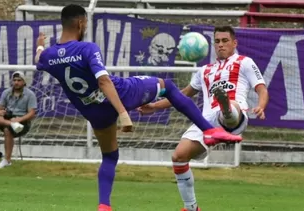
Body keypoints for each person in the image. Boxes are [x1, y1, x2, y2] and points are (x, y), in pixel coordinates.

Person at [33, 5, 242, 211]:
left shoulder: (48, 56)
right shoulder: (87, 48)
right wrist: (124, 114)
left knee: (109, 156)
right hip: (121, 94)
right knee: (166, 86)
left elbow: (37, 59)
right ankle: (209, 130)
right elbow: (104, 81)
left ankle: (104, 205)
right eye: (85, 23)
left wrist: (40, 46)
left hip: (93, 111)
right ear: (80, 23)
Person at [138, 26, 269, 211]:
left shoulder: (245, 62)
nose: (221, 45)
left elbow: (261, 88)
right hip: (206, 122)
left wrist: (261, 106)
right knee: (178, 156)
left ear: (234, 43)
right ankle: (191, 208)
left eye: (225, 41)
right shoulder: (204, 71)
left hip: (236, 114)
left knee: (229, 108)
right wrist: (153, 106)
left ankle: (224, 104)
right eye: (217, 41)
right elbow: (182, 95)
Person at [0, 71, 37, 169]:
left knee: (7, 130)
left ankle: (7, 160)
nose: (16, 82)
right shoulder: (6, 92)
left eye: (19, 80)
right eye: (14, 80)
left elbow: (31, 113)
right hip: (8, 119)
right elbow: (1, 109)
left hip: (22, 122)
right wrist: (1, 112)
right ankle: (11, 124)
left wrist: (19, 119)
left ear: (24, 82)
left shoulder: (30, 94)